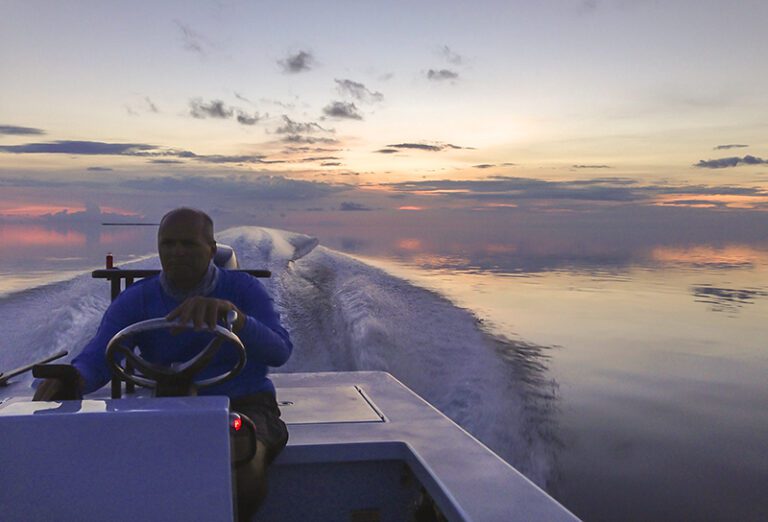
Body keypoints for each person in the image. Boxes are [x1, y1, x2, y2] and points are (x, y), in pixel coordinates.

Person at [33, 207, 292, 521]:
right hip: (167, 404)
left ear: (210, 249)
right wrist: (71, 379)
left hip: (244, 403)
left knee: (241, 461)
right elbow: (99, 357)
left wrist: (235, 319)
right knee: (116, 463)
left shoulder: (243, 289)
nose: (176, 252)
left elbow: (279, 351)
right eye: (168, 244)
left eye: (188, 244)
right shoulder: (136, 299)